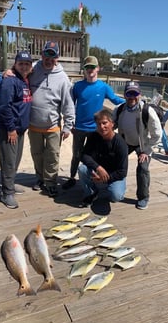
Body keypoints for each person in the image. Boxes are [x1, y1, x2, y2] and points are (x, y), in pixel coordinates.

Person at [62, 55, 125, 191]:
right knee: (77, 155)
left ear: (98, 69)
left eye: (92, 67)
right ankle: (72, 177)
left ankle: (91, 178)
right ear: (84, 70)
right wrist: (69, 122)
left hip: (96, 129)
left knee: (93, 156)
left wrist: (131, 102)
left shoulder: (103, 87)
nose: (90, 70)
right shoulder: (77, 86)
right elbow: (70, 105)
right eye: (87, 67)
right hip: (78, 127)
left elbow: (115, 100)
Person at [28, 41, 75, 197]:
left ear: (57, 57)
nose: (49, 59)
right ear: (41, 55)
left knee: (52, 155)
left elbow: (68, 103)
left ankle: (51, 182)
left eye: (52, 56)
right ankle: (40, 178)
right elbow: (18, 71)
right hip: (33, 124)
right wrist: (8, 71)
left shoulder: (63, 78)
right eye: (46, 55)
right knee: (37, 154)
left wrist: (68, 125)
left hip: (53, 125)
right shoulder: (32, 69)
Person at [113, 81, 162, 210]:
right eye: (129, 93)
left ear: (140, 95)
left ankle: (143, 197)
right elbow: (112, 126)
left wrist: (147, 151)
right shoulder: (119, 109)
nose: (132, 97)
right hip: (126, 142)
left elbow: (157, 134)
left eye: (135, 93)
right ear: (124, 95)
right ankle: (113, 188)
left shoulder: (147, 111)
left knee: (143, 168)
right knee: (114, 160)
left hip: (143, 145)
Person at [0, 51, 33, 209]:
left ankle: (10, 184)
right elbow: (4, 107)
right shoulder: (10, 80)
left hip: (20, 129)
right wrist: (11, 129)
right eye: (21, 63)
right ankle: (7, 193)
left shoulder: (24, 79)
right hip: (8, 129)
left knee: (15, 160)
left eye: (27, 64)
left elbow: (44, 65)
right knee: (8, 161)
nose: (24, 66)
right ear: (15, 64)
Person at [78, 109, 128, 208]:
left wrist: (105, 178)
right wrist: (98, 168)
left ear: (112, 124)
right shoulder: (93, 136)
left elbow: (122, 171)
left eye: (105, 123)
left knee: (116, 196)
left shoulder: (120, 143)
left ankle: (111, 188)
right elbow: (84, 155)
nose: (102, 127)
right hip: (98, 170)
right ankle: (91, 193)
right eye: (98, 124)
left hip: (113, 174)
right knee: (82, 169)